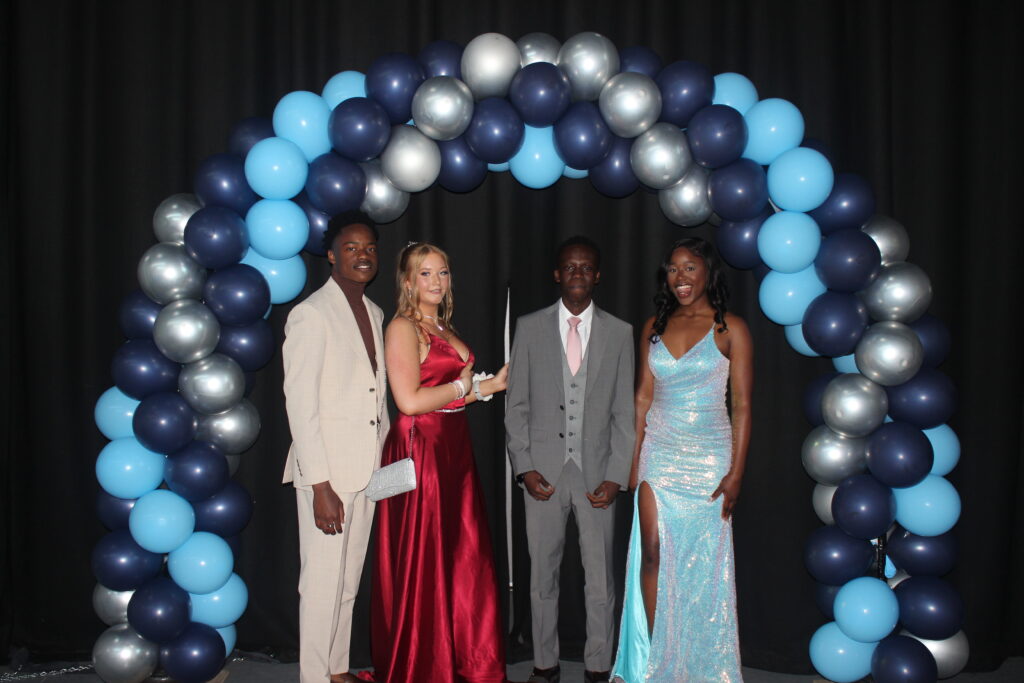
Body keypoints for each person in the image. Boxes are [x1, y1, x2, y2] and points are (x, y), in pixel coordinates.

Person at [611, 237, 753, 683]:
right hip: (659, 453)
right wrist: (632, 462)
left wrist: (736, 473)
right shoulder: (653, 326)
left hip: (710, 459)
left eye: (690, 268)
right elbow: (642, 397)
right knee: (651, 553)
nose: (681, 278)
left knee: (702, 567)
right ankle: (656, 663)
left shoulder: (730, 328)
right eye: (673, 269)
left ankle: (697, 666)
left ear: (708, 272)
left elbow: (742, 405)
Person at [370, 242, 513, 683]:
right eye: (426, 273)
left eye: (443, 272)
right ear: (408, 281)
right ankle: (424, 665)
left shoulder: (440, 325)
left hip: (452, 447)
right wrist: (464, 387)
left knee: (460, 553)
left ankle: (465, 659)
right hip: (421, 449)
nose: (436, 281)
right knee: (425, 556)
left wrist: (489, 387)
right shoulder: (402, 327)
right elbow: (410, 402)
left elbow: (450, 398)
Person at [505, 236, 635, 683]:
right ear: (557, 274)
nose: (578, 273)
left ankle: (598, 667)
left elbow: (624, 413)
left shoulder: (620, 333)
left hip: (597, 474)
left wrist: (617, 475)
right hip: (542, 472)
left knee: (600, 580)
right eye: (570, 267)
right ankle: (545, 664)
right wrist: (524, 466)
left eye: (586, 267)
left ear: (597, 275)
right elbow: (516, 406)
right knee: (542, 576)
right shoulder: (530, 327)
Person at [281, 212, 389, 683]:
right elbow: (300, 406)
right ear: (331, 255)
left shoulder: (375, 313)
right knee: (322, 585)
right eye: (351, 248)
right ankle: (313, 676)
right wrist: (320, 484)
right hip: (327, 475)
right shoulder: (310, 314)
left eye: (369, 248)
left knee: (347, 582)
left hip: (366, 471)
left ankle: (337, 668)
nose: (362, 255)